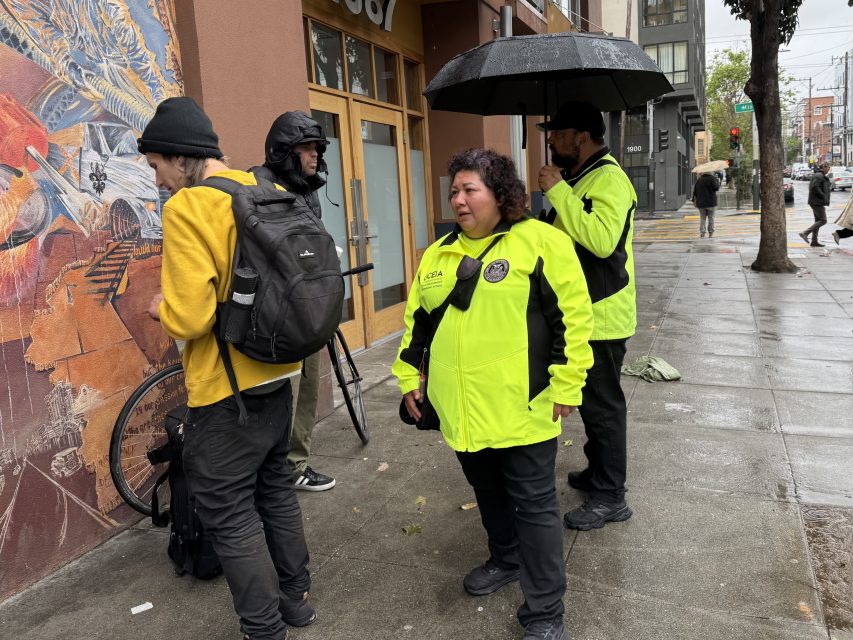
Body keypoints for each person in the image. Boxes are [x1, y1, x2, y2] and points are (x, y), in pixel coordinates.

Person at [393, 148, 593, 640]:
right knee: (487, 492)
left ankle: (545, 612)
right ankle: (506, 559)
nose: (458, 200)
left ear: (500, 195)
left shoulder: (540, 242)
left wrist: (568, 383)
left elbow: (574, 318)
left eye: (470, 190)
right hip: (460, 410)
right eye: (454, 191)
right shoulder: (437, 255)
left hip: (523, 407)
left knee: (536, 505)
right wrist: (408, 379)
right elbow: (416, 326)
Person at [140, 97, 315, 640]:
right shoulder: (264, 190)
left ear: (179, 156)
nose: (158, 179)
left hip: (225, 389)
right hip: (278, 373)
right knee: (275, 488)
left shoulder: (189, 208)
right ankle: (297, 600)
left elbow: (190, 317)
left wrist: (158, 308)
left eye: (157, 165)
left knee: (228, 509)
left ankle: (263, 629)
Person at [537, 100, 637, 531]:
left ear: (581, 137)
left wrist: (557, 190)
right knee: (594, 406)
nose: (551, 142)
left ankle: (611, 496)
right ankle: (599, 473)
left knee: (603, 408)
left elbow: (599, 240)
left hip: (602, 317)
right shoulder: (580, 178)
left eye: (556, 135)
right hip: (578, 314)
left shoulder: (609, 179)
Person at [250, 111, 335, 492]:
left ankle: (297, 464)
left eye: (317, 148)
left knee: (309, 386)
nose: (315, 155)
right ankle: (274, 471)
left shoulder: (308, 188)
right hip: (278, 311)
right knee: (286, 391)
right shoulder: (259, 186)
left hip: (310, 304)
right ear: (285, 151)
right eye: (306, 148)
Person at [800, 162, 832, 247]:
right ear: (824, 167)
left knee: (818, 221)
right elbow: (815, 187)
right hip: (816, 202)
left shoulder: (819, 175)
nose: (829, 169)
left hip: (816, 201)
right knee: (823, 220)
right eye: (828, 168)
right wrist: (823, 196)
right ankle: (805, 233)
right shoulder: (819, 175)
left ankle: (814, 241)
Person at [692, 171, 720, 238]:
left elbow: (695, 192)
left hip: (701, 203)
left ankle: (702, 233)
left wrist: (694, 201)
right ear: (710, 172)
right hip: (711, 203)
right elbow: (717, 188)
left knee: (702, 218)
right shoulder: (713, 179)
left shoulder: (699, 180)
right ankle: (711, 233)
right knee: (711, 218)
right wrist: (717, 181)